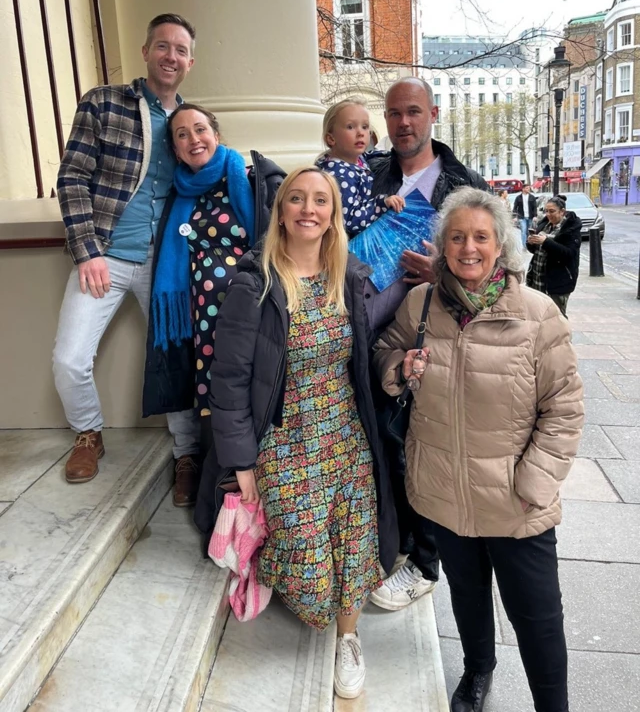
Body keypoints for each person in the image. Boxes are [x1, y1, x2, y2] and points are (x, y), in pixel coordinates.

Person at [374, 187, 583, 712]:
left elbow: (565, 408)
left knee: (536, 615)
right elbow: (384, 352)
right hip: (444, 490)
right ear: (443, 245)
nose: (469, 247)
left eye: (481, 237)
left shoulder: (537, 315)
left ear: (501, 246)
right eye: (458, 237)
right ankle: (477, 671)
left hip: (515, 500)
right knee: (466, 596)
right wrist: (399, 368)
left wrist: (533, 484)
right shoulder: (420, 304)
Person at [194, 167, 398, 700]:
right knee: (311, 594)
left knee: (355, 548)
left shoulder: (348, 276)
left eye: (321, 201)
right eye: (297, 200)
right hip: (283, 443)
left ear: (333, 216)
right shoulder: (254, 284)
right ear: (281, 210)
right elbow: (229, 380)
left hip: (346, 436)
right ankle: (277, 565)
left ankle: (350, 638)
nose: (309, 210)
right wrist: (242, 464)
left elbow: (370, 346)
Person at [54, 13, 201, 502]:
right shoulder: (104, 103)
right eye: (163, 46)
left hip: (167, 263)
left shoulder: (189, 120)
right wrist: (86, 250)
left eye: (180, 50)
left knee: (177, 355)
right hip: (107, 258)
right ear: (145, 51)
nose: (171, 57)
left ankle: (187, 455)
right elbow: (72, 178)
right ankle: (89, 433)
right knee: (70, 358)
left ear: (190, 62)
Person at [365, 77, 488, 612]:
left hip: (436, 339)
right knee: (385, 446)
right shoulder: (367, 175)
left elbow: (499, 266)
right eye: (394, 114)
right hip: (371, 338)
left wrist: (444, 270)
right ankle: (393, 543)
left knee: (428, 450)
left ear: (433, 114)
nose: (403, 124)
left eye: (413, 112)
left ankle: (425, 561)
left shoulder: (465, 185)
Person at [141, 104, 285, 504]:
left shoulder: (248, 179)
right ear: (175, 147)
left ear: (216, 135)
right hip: (202, 312)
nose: (193, 139)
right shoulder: (178, 192)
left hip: (251, 306)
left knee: (252, 383)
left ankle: (263, 472)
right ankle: (219, 474)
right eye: (182, 134)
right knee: (215, 390)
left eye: (200, 129)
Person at [316, 98, 404, 236]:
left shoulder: (355, 159)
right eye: (350, 127)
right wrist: (381, 203)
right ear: (331, 139)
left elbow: (367, 156)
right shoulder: (339, 174)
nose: (361, 133)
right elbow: (349, 220)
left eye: (365, 126)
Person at [526, 194, 581, 317]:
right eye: (546, 211)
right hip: (538, 280)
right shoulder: (545, 225)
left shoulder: (570, 229)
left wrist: (545, 242)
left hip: (557, 282)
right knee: (539, 316)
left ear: (562, 212)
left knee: (556, 318)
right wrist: (531, 243)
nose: (548, 214)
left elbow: (568, 254)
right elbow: (536, 251)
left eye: (552, 211)